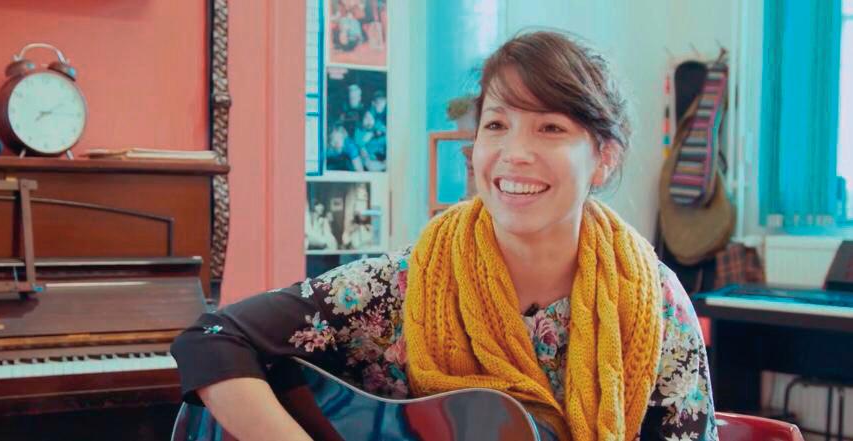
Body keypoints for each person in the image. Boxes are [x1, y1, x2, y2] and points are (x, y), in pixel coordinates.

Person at [172, 31, 717, 441]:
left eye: (551, 128)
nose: (515, 152)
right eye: (497, 125)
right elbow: (213, 337)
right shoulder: (402, 285)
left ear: (604, 158)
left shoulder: (655, 305)